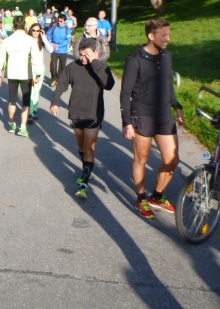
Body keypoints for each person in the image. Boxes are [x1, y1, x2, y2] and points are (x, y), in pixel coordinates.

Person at [120, 18, 185, 219]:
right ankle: (141, 198)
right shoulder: (135, 59)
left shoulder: (166, 56)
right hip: (142, 114)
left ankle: (157, 196)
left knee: (172, 160)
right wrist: (126, 122)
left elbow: (168, 84)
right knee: (142, 158)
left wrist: (177, 106)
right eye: (164, 35)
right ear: (151, 35)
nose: (168, 39)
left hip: (164, 114)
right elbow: (125, 92)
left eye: (169, 34)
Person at [51, 38, 115, 199]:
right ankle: (87, 170)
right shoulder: (73, 67)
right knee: (81, 146)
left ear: (95, 53)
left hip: (94, 114)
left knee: (89, 148)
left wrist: (95, 63)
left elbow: (109, 85)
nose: (83, 58)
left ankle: (84, 185)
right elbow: (62, 84)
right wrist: (55, 102)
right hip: (76, 112)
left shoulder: (101, 67)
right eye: (81, 54)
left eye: (87, 55)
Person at [0, 16, 42, 137]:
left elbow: (0, 58)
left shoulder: (7, 40)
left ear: (13, 25)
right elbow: (36, 59)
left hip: (12, 73)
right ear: (24, 25)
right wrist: (38, 73)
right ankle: (23, 128)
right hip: (26, 74)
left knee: (12, 99)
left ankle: (11, 124)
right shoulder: (31, 40)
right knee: (26, 102)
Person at [27, 23, 53, 122]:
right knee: (31, 90)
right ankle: (30, 112)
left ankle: (34, 108)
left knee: (37, 90)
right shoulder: (27, 40)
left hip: (40, 69)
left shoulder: (41, 41)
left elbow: (50, 50)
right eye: (33, 30)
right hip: (30, 68)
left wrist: (44, 37)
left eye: (37, 30)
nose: (35, 32)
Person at [46, 14, 71, 87]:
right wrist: (50, 42)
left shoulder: (67, 29)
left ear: (65, 21)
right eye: (58, 21)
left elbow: (68, 40)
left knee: (62, 67)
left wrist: (59, 46)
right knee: (53, 66)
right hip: (54, 50)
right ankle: (53, 79)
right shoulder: (54, 27)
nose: (59, 22)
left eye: (61, 21)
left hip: (63, 51)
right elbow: (48, 34)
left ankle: (58, 79)